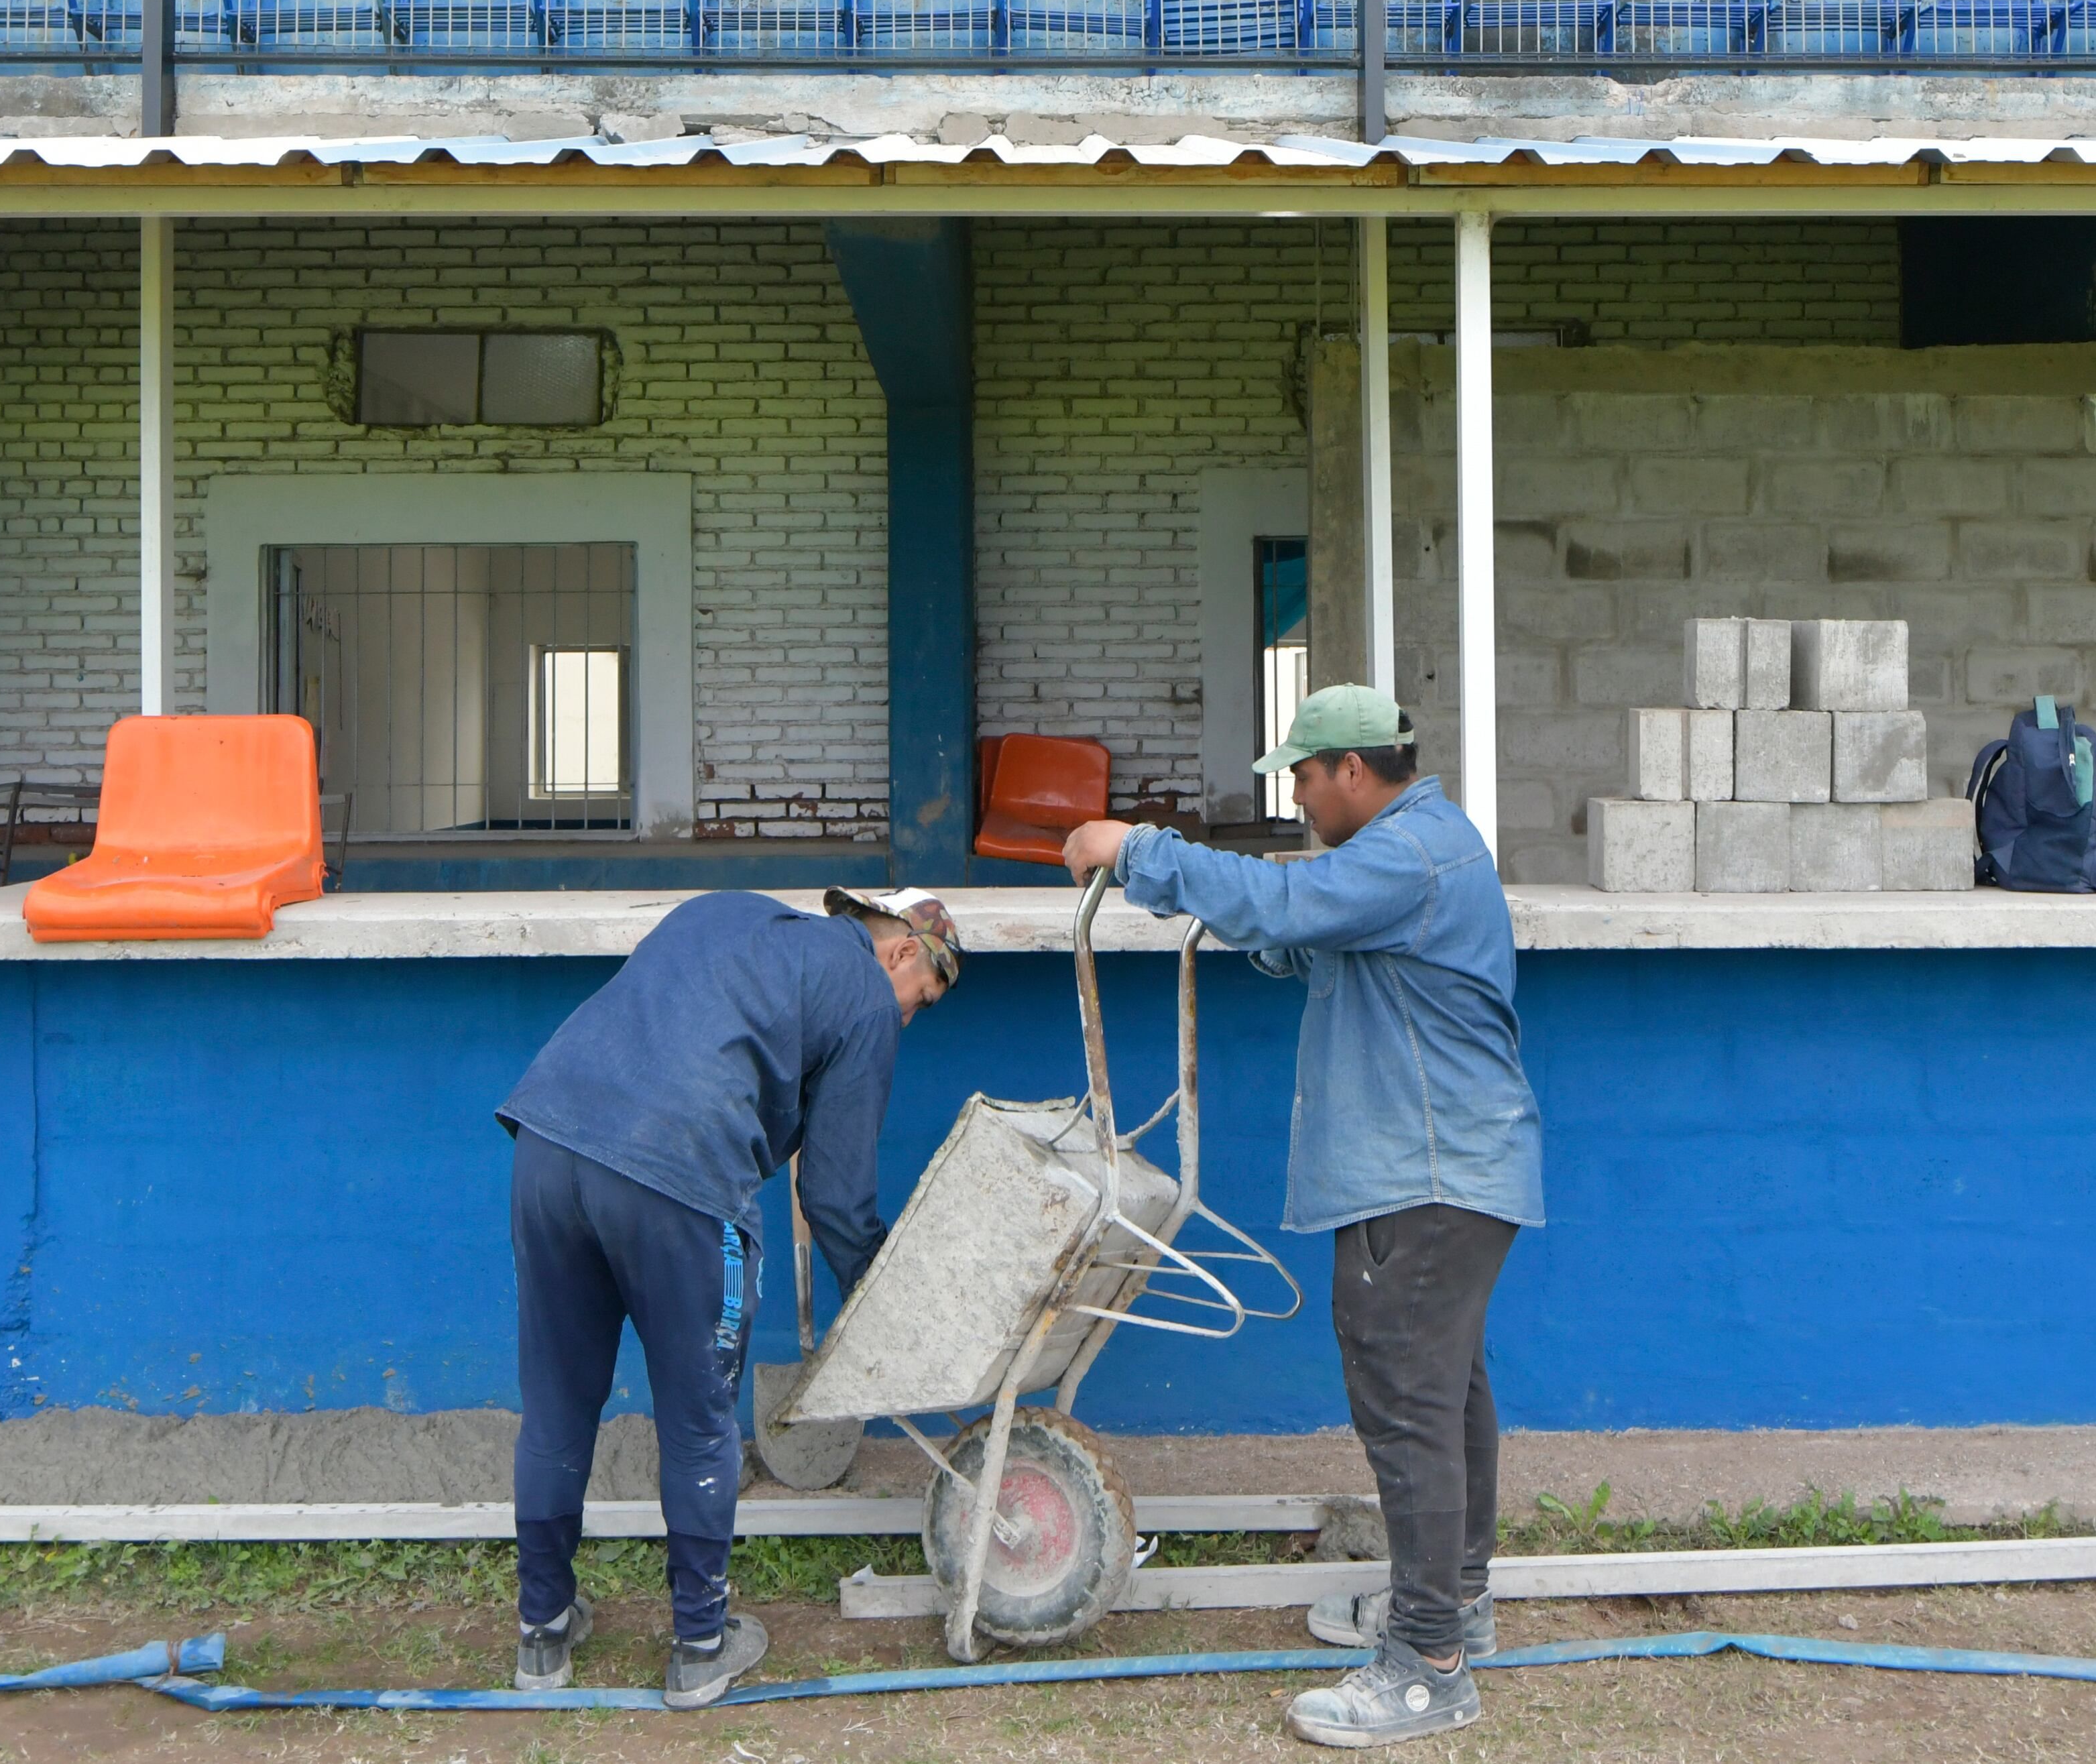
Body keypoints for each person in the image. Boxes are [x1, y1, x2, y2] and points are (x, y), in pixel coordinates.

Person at [1063, 685, 1540, 1750]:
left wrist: (1137, 847)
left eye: (1302, 776)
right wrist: (1212, 898)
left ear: (1353, 773)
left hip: (1423, 1177)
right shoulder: (1417, 847)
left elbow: (1288, 910)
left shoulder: (1408, 855)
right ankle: (1454, 1610)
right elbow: (1294, 928)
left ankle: (1428, 1668)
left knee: (1410, 1408)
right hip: (1453, 1171)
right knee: (1448, 1397)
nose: (1296, 794)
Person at [491, 883, 964, 1706]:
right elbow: (838, 1204)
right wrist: (883, 1301)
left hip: (548, 1142)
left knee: (559, 1403)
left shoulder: (725, 911)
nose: (906, 1022)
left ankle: (542, 1635)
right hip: (677, 1177)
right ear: (899, 952)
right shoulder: (864, 998)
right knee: (698, 1417)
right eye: (918, 1002)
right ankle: (701, 1647)